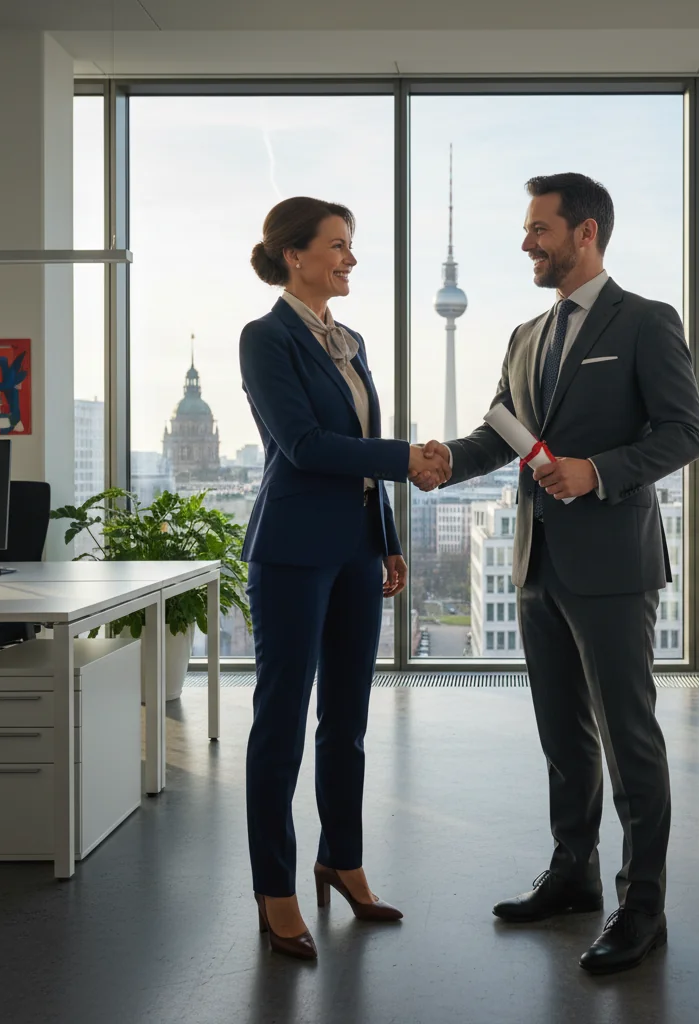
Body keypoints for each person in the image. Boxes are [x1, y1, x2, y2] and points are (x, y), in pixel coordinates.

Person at [416, 173, 699, 974]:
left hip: (613, 564)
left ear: (585, 233)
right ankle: (573, 871)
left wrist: (597, 471)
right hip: (537, 560)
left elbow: (685, 432)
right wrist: (446, 460)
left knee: (629, 738)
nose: (525, 243)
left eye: (538, 229)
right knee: (563, 737)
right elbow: (500, 432)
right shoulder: (524, 335)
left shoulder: (645, 322)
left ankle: (641, 903)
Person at [240, 196, 450, 960]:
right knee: (281, 725)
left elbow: (355, 439)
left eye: (351, 245)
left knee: (349, 724)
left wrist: (387, 537)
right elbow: (302, 444)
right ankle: (275, 888)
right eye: (338, 245)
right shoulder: (266, 339)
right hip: (293, 549)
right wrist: (407, 457)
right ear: (294, 255)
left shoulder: (349, 340)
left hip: (358, 549)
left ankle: (343, 860)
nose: (350, 257)